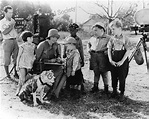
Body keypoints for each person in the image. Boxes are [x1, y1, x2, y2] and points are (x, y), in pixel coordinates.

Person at [35, 29, 66, 98]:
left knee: (63, 70)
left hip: (53, 66)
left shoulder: (56, 45)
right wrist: (49, 61)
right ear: (49, 37)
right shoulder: (42, 45)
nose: (55, 39)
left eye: (56, 38)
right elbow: (37, 60)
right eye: (53, 37)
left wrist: (58, 59)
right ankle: (50, 92)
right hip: (43, 67)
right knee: (57, 72)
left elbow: (58, 56)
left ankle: (55, 91)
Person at [107, 19, 132, 100]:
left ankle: (122, 92)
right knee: (113, 75)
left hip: (122, 59)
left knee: (122, 77)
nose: (112, 31)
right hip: (114, 58)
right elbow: (109, 49)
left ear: (119, 28)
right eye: (111, 29)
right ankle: (114, 90)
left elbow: (128, 50)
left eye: (113, 29)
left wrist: (122, 61)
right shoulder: (111, 39)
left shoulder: (125, 38)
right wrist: (110, 60)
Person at [90, 22, 110, 94]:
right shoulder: (92, 38)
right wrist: (89, 50)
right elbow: (89, 44)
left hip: (103, 56)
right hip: (94, 56)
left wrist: (107, 51)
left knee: (104, 73)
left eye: (96, 30)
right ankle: (95, 86)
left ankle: (106, 88)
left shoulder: (108, 38)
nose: (94, 32)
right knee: (96, 72)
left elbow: (111, 47)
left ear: (102, 30)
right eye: (94, 30)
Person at [63, 23, 85, 91]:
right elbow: (65, 48)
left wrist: (82, 60)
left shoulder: (78, 40)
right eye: (70, 30)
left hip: (76, 58)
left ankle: (79, 85)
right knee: (69, 72)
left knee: (77, 72)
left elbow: (81, 50)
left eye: (73, 30)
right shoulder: (67, 39)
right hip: (69, 57)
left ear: (76, 31)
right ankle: (68, 85)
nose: (72, 32)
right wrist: (64, 55)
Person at [0, 5, 19, 79]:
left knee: (16, 58)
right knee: (7, 59)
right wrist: (11, 26)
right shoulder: (2, 22)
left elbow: (14, 30)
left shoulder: (12, 20)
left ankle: (15, 73)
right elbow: (4, 32)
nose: (11, 14)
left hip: (14, 40)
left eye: (12, 13)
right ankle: (7, 74)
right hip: (7, 41)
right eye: (9, 13)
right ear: (5, 13)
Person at [16, 31, 36, 96]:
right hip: (22, 63)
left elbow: (34, 54)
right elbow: (18, 56)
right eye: (31, 38)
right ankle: (19, 90)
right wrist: (17, 65)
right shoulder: (22, 46)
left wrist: (34, 59)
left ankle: (24, 91)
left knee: (27, 78)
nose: (32, 39)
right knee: (22, 78)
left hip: (29, 63)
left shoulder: (33, 46)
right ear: (27, 38)